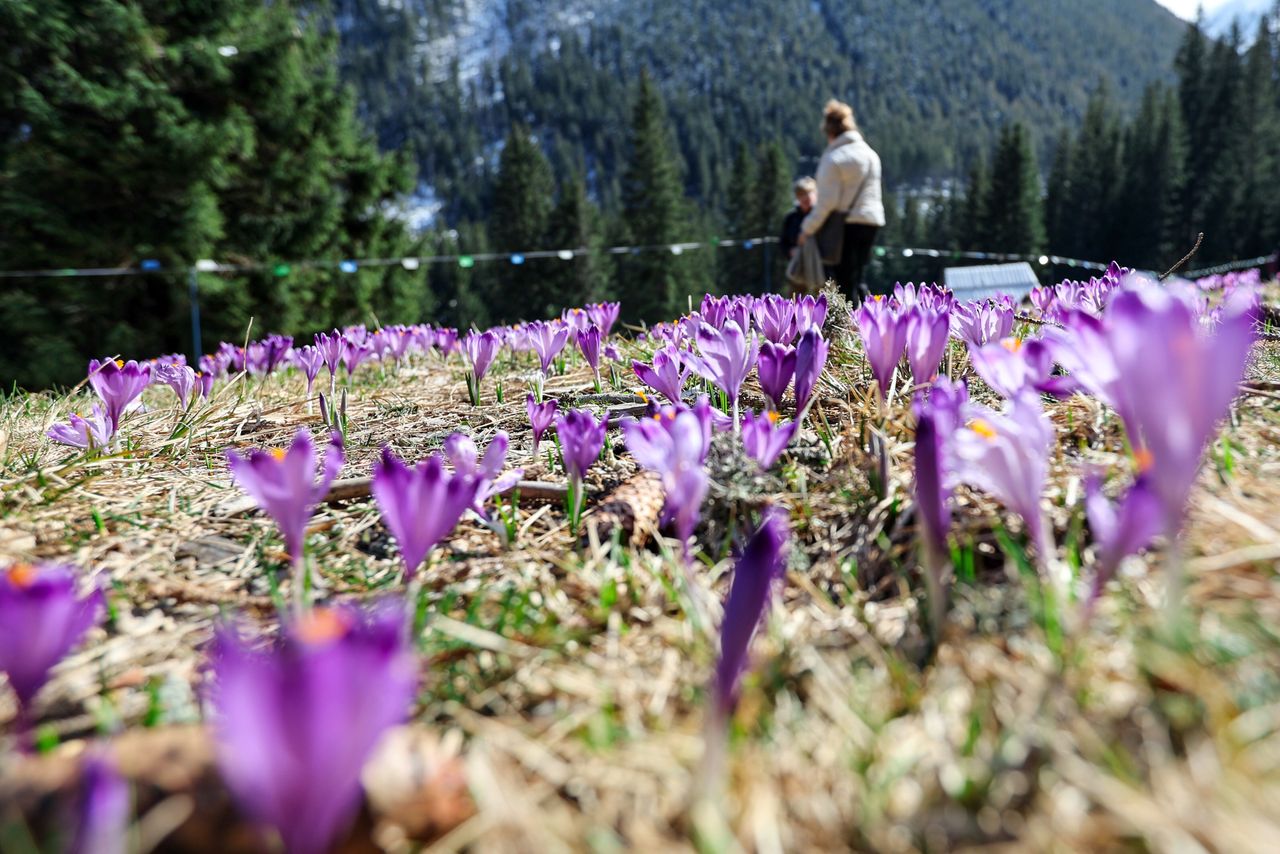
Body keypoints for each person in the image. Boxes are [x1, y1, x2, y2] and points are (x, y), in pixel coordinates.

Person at [797, 99, 884, 302]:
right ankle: (869, 321)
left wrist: (807, 229)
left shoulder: (835, 157)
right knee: (859, 277)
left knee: (844, 282)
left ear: (829, 131)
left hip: (846, 225)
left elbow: (827, 203)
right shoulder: (870, 154)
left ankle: (849, 329)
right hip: (872, 221)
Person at [780, 177, 817, 260]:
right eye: (801, 194)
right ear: (797, 197)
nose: (805, 197)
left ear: (815, 194)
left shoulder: (820, 216)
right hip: (798, 263)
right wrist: (790, 251)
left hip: (820, 263)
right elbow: (783, 243)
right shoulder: (790, 217)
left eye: (808, 193)